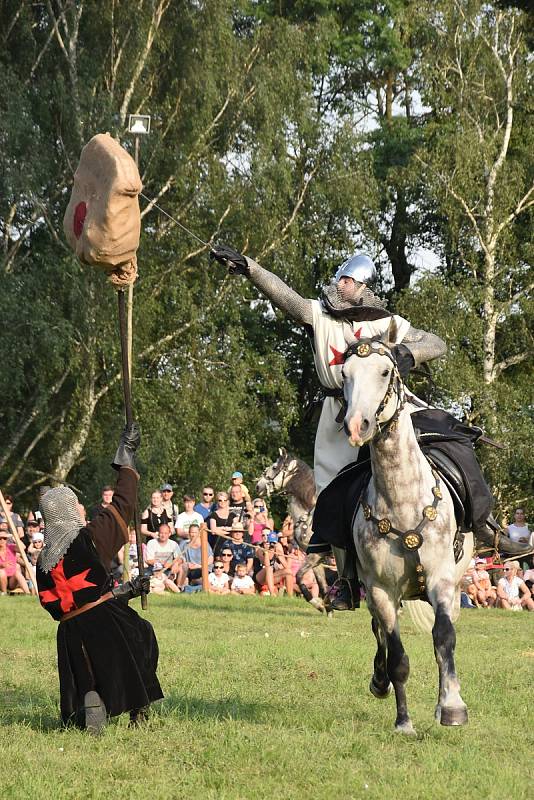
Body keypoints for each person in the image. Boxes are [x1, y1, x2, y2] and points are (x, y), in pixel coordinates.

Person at [211, 245, 447, 609]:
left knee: (451, 439)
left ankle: (484, 528)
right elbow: (285, 295)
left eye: (347, 279)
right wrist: (250, 268)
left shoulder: (388, 323)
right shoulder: (319, 314)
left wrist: (408, 354)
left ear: (363, 285)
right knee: (333, 494)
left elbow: (437, 342)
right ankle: (348, 582)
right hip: (339, 411)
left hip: (390, 408)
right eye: (340, 277)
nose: (339, 283)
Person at [36, 424, 163, 732]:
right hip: (104, 621)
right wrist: (126, 459)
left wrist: (127, 590)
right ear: (68, 511)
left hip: (69, 633)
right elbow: (123, 504)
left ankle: (91, 699)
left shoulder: (42, 561)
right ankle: (138, 709)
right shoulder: (88, 538)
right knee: (141, 634)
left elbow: (74, 602)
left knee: (87, 663)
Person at [177, 522, 213, 588]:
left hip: (202, 568)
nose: (193, 535)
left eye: (195, 532)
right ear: (189, 533)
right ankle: (179, 587)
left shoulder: (204, 543)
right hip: (190, 568)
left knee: (202, 582)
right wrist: (187, 563)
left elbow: (210, 558)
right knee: (183, 566)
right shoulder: (184, 544)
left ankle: (193, 583)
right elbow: (180, 557)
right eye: (191, 532)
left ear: (199, 533)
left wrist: (200, 566)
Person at [0, 526, 30, 594]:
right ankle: (4, 593)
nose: (2, 540)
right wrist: (2, 565)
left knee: (17, 572)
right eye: (0, 538)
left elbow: (23, 547)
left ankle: (28, 593)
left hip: (11, 580)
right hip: (0, 579)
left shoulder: (11, 547)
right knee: (1, 572)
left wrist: (14, 538)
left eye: (4, 538)